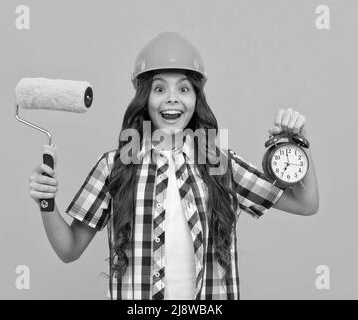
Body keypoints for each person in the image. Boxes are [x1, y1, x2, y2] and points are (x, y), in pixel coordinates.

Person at [28, 31, 319, 300]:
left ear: (196, 99)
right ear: (145, 99)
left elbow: (305, 204)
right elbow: (69, 249)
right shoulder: (115, 165)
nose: (172, 99)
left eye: (183, 89)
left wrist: (299, 145)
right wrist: (47, 201)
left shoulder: (219, 164)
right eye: (159, 88)